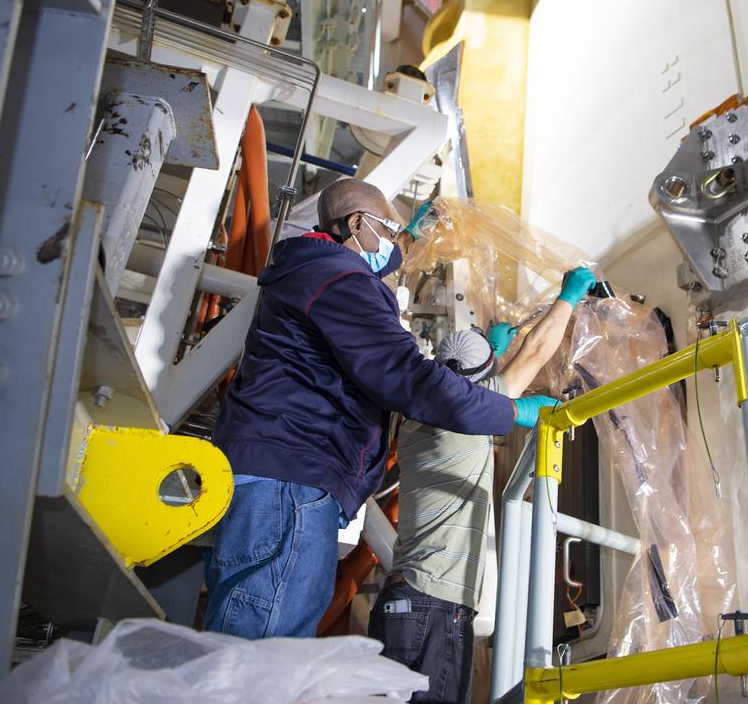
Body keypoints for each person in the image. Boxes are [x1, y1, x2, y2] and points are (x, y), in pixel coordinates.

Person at [204, 179, 559, 639]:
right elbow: (407, 376)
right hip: (292, 478)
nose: (393, 245)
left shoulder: (317, 271)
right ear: (356, 223)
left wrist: (410, 234)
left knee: (261, 641)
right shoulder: (340, 280)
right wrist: (513, 413)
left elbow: (377, 262)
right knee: (264, 650)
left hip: (282, 474)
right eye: (388, 231)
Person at [368, 266, 597, 704]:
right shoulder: (461, 415)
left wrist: (492, 349)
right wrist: (570, 295)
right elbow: (536, 352)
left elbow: (471, 385)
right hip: (433, 606)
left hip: (409, 603)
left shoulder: (423, 415)